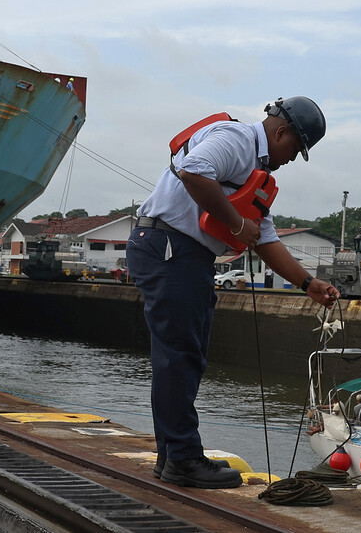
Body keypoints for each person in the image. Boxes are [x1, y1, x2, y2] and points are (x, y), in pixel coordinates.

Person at [127, 96, 340, 489]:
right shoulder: (238, 138)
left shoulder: (257, 175)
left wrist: (309, 284)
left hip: (184, 255)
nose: (293, 158)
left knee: (182, 357)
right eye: (296, 148)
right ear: (281, 132)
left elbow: (265, 239)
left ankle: (171, 455)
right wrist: (236, 222)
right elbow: (192, 169)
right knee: (179, 357)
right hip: (169, 247)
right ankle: (184, 459)